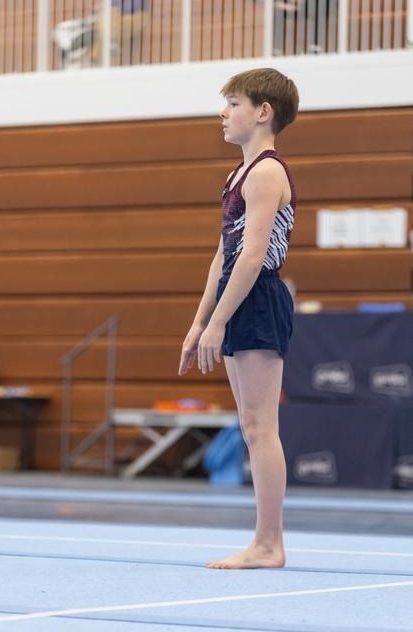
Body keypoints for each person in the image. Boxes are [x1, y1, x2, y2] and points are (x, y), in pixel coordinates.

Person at [178, 67, 299, 569]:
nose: (223, 113)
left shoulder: (268, 172)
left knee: (259, 425)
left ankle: (270, 544)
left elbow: (252, 259)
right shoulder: (238, 174)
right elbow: (221, 255)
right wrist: (199, 320)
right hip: (237, 295)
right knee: (250, 426)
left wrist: (219, 321)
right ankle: (265, 541)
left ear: (262, 112)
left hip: (258, 296)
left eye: (233, 103)